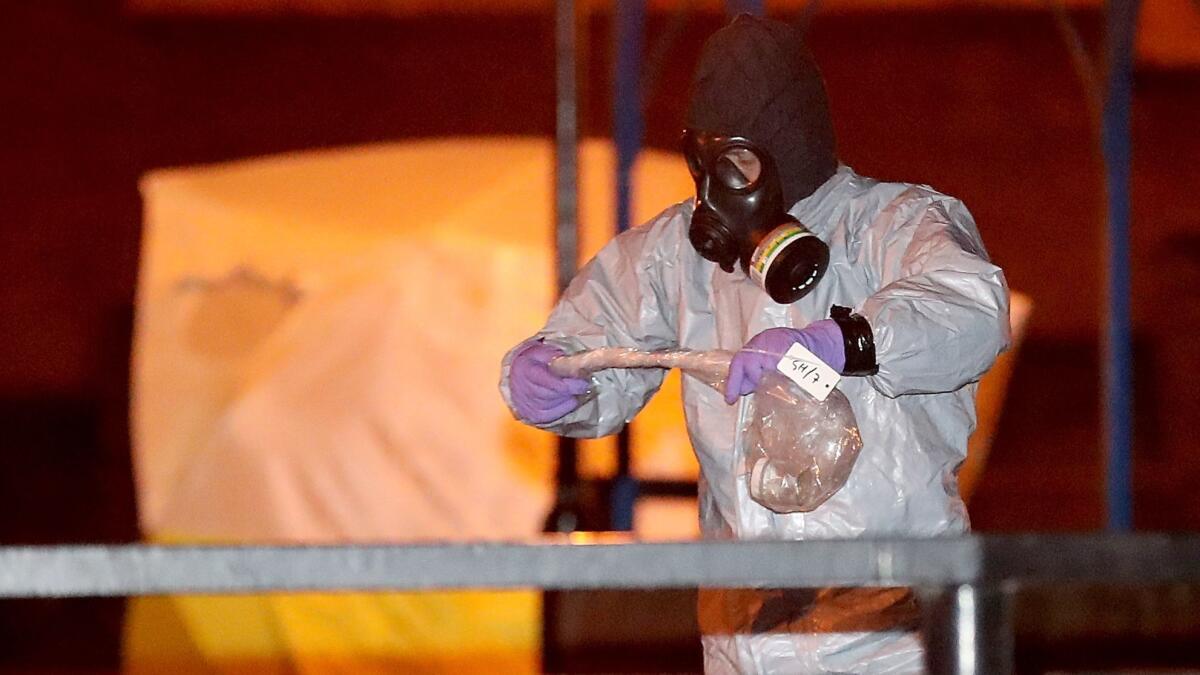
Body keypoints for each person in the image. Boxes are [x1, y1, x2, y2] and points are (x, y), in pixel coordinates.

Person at [500, 14, 1009, 674]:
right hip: (745, 646)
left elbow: (969, 310)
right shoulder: (677, 253)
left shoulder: (894, 227)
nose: (714, 193)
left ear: (789, 154)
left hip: (893, 641)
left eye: (737, 164)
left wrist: (842, 340)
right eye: (701, 164)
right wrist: (555, 374)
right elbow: (600, 333)